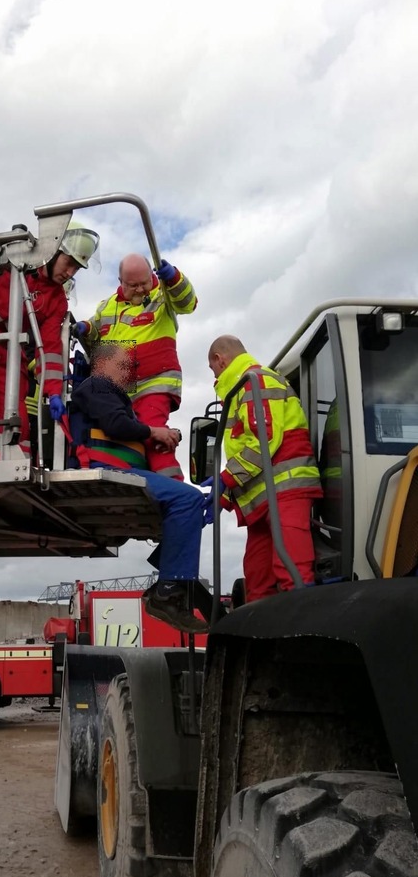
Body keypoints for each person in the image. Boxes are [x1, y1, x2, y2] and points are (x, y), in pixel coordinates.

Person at [69, 342, 206, 632]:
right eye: (123, 366)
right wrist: (152, 430)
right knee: (189, 499)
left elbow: (121, 427)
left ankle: (177, 575)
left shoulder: (108, 394)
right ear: (102, 365)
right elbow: (116, 424)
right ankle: (168, 589)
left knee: (198, 506)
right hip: (106, 470)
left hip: (123, 472)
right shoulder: (98, 385)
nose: (129, 373)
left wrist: (156, 436)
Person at [0, 224, 100, 446]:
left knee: (15, 421)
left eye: (76, 269)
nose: (70, 273)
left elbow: (49, 349)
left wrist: (54, 392)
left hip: (9, 349)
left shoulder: (57, 299)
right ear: (54, 249)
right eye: (69, 263)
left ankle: (14, 474)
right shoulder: (17, 252)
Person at [206, 335, 323, 602]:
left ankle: (300, 637)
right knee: (258, 580)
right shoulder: (242, 390)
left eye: (211, 368)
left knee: (293, 573)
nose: (213, 375)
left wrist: (225, 480)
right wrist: (223, 497)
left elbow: (264, 439)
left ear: (219, 359)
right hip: (262, 499)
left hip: (286, 490)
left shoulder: (256, 381)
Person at [74, 253, 197, 479]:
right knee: (113, 434)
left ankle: (173, 485)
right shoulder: (108, 305)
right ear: (121, 282)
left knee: (153, 433)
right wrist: (84, 328)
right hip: (116, 387)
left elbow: (188, 304)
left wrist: (174, 278)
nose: (141, 289)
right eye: (134, 285)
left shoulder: (163, 295)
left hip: (154, 384)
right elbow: (94, 333)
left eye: (145, 282)